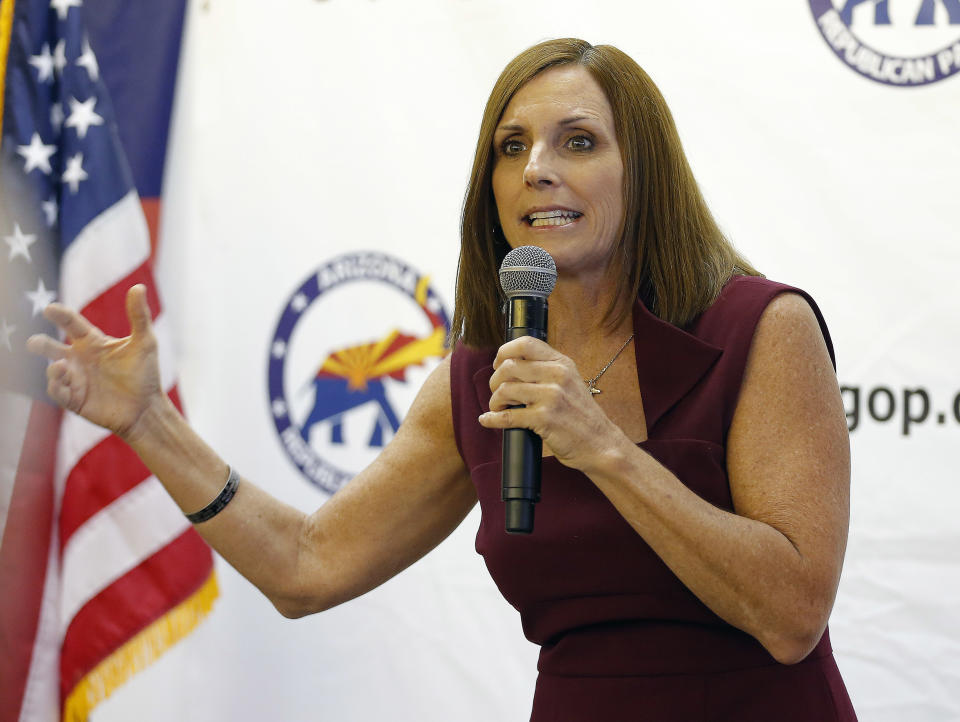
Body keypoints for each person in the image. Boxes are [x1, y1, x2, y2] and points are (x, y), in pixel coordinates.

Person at [28, 38, 856, 721]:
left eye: (578, 141)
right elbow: (305, 567)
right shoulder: (474, 384)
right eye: (511, 148)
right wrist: (147, 423)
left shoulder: (759, 330)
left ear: (644, 173)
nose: (536, 168)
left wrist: (604, 448)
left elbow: (791, 617)